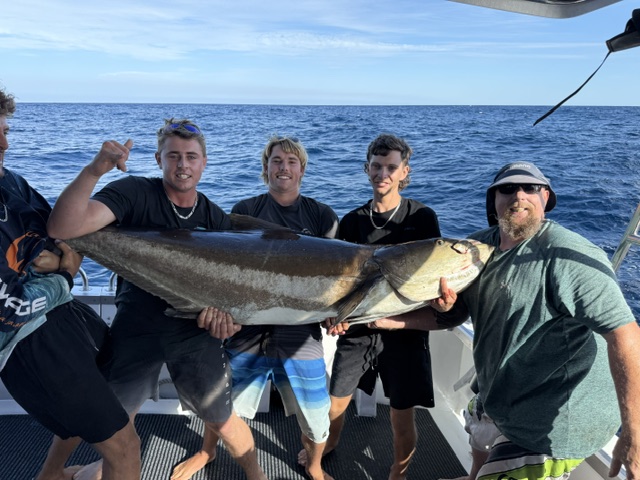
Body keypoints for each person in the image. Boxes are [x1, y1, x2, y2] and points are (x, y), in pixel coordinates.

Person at [355, 161, 640, 479]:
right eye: (507, 189)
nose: (519, 195)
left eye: (530, 188)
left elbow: (625, 334)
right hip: (497, 392)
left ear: (545, 197)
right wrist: (385, 320)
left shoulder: (568, 256)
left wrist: (633, 430)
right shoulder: (473, 249)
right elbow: (454, 314)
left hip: (554, 422)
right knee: (478, 436)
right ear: (493, 199)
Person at [46, 119, 266, 480]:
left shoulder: (215, 219)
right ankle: (50, 473)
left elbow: (233, 296)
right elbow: (62, 228)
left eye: (191, 157)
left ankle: (258, 476)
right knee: (103, 415)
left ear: (204, 162)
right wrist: (94, 170)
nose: (183, 165)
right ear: (158, 159)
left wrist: (230, 321)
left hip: (194, 336)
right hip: (136, 330)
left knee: (222, 419)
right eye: (174, 156)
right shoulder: (133, 193)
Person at [178, 135, 338, 480]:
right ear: (266, 168)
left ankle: (314, 465)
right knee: (219, 406)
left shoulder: (322, 216)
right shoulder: (245, 211)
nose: (284, 168)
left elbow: (335, 280)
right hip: (246, 329)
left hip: (300, 334)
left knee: (316, 414)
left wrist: (340, 314)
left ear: (302, 170)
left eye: (291, 162)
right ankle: (206, 451)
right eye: (277, 161)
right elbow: (223, 271)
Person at [0, 87, 140, 480]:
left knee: (113, 378)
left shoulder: (10, 182)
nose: (3, 144)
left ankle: (51, 475)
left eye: (5, 130)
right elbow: (9, 311)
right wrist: (62, 273)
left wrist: (95, 171)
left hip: (60, 314)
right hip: (25, 341)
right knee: (126, 447)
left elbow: (59, 231)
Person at [309, 134, 440, 480]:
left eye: (391, 167)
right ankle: (329, 447)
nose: (383, 173)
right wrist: (333, 317)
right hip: (358, 330)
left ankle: (399, 472)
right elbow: (338, 282)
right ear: (367, 169)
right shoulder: (351, 221)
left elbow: (433, 273)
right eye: (377, 166)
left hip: (405, 330)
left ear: (404, 172)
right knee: (336, 401)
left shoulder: (423, 217)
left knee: (401, 413)